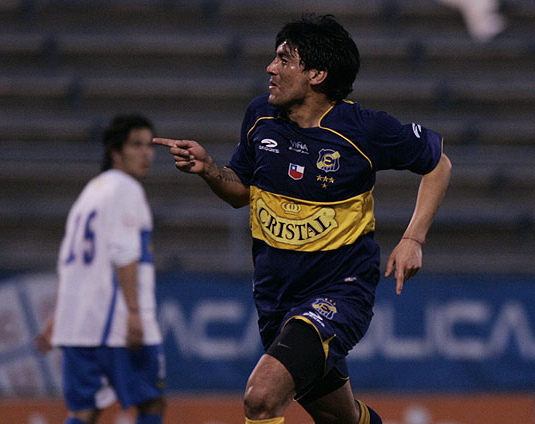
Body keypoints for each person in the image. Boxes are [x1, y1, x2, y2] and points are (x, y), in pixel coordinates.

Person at [154, 14, 451, 424]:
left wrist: (413, 239)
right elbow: (242, 192)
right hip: (275, 297)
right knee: (341, 419)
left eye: (283, 59)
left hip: (339, 291)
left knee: (261, 397)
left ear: (317, 74)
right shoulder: (260, 115)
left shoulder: (363, 130)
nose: (270, 68)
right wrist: (210, 171)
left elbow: (438, 164)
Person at [36, 114, 166, 424]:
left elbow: (69, 260)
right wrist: (134, 312)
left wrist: (59, 315)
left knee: (85, 411)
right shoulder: (127, 189)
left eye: (149, 145)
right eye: (136, 145)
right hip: (114, 322)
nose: (146, 153)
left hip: (78, 325)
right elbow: (125, 253)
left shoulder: (90, 192)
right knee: (151, 402)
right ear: (115, 152)